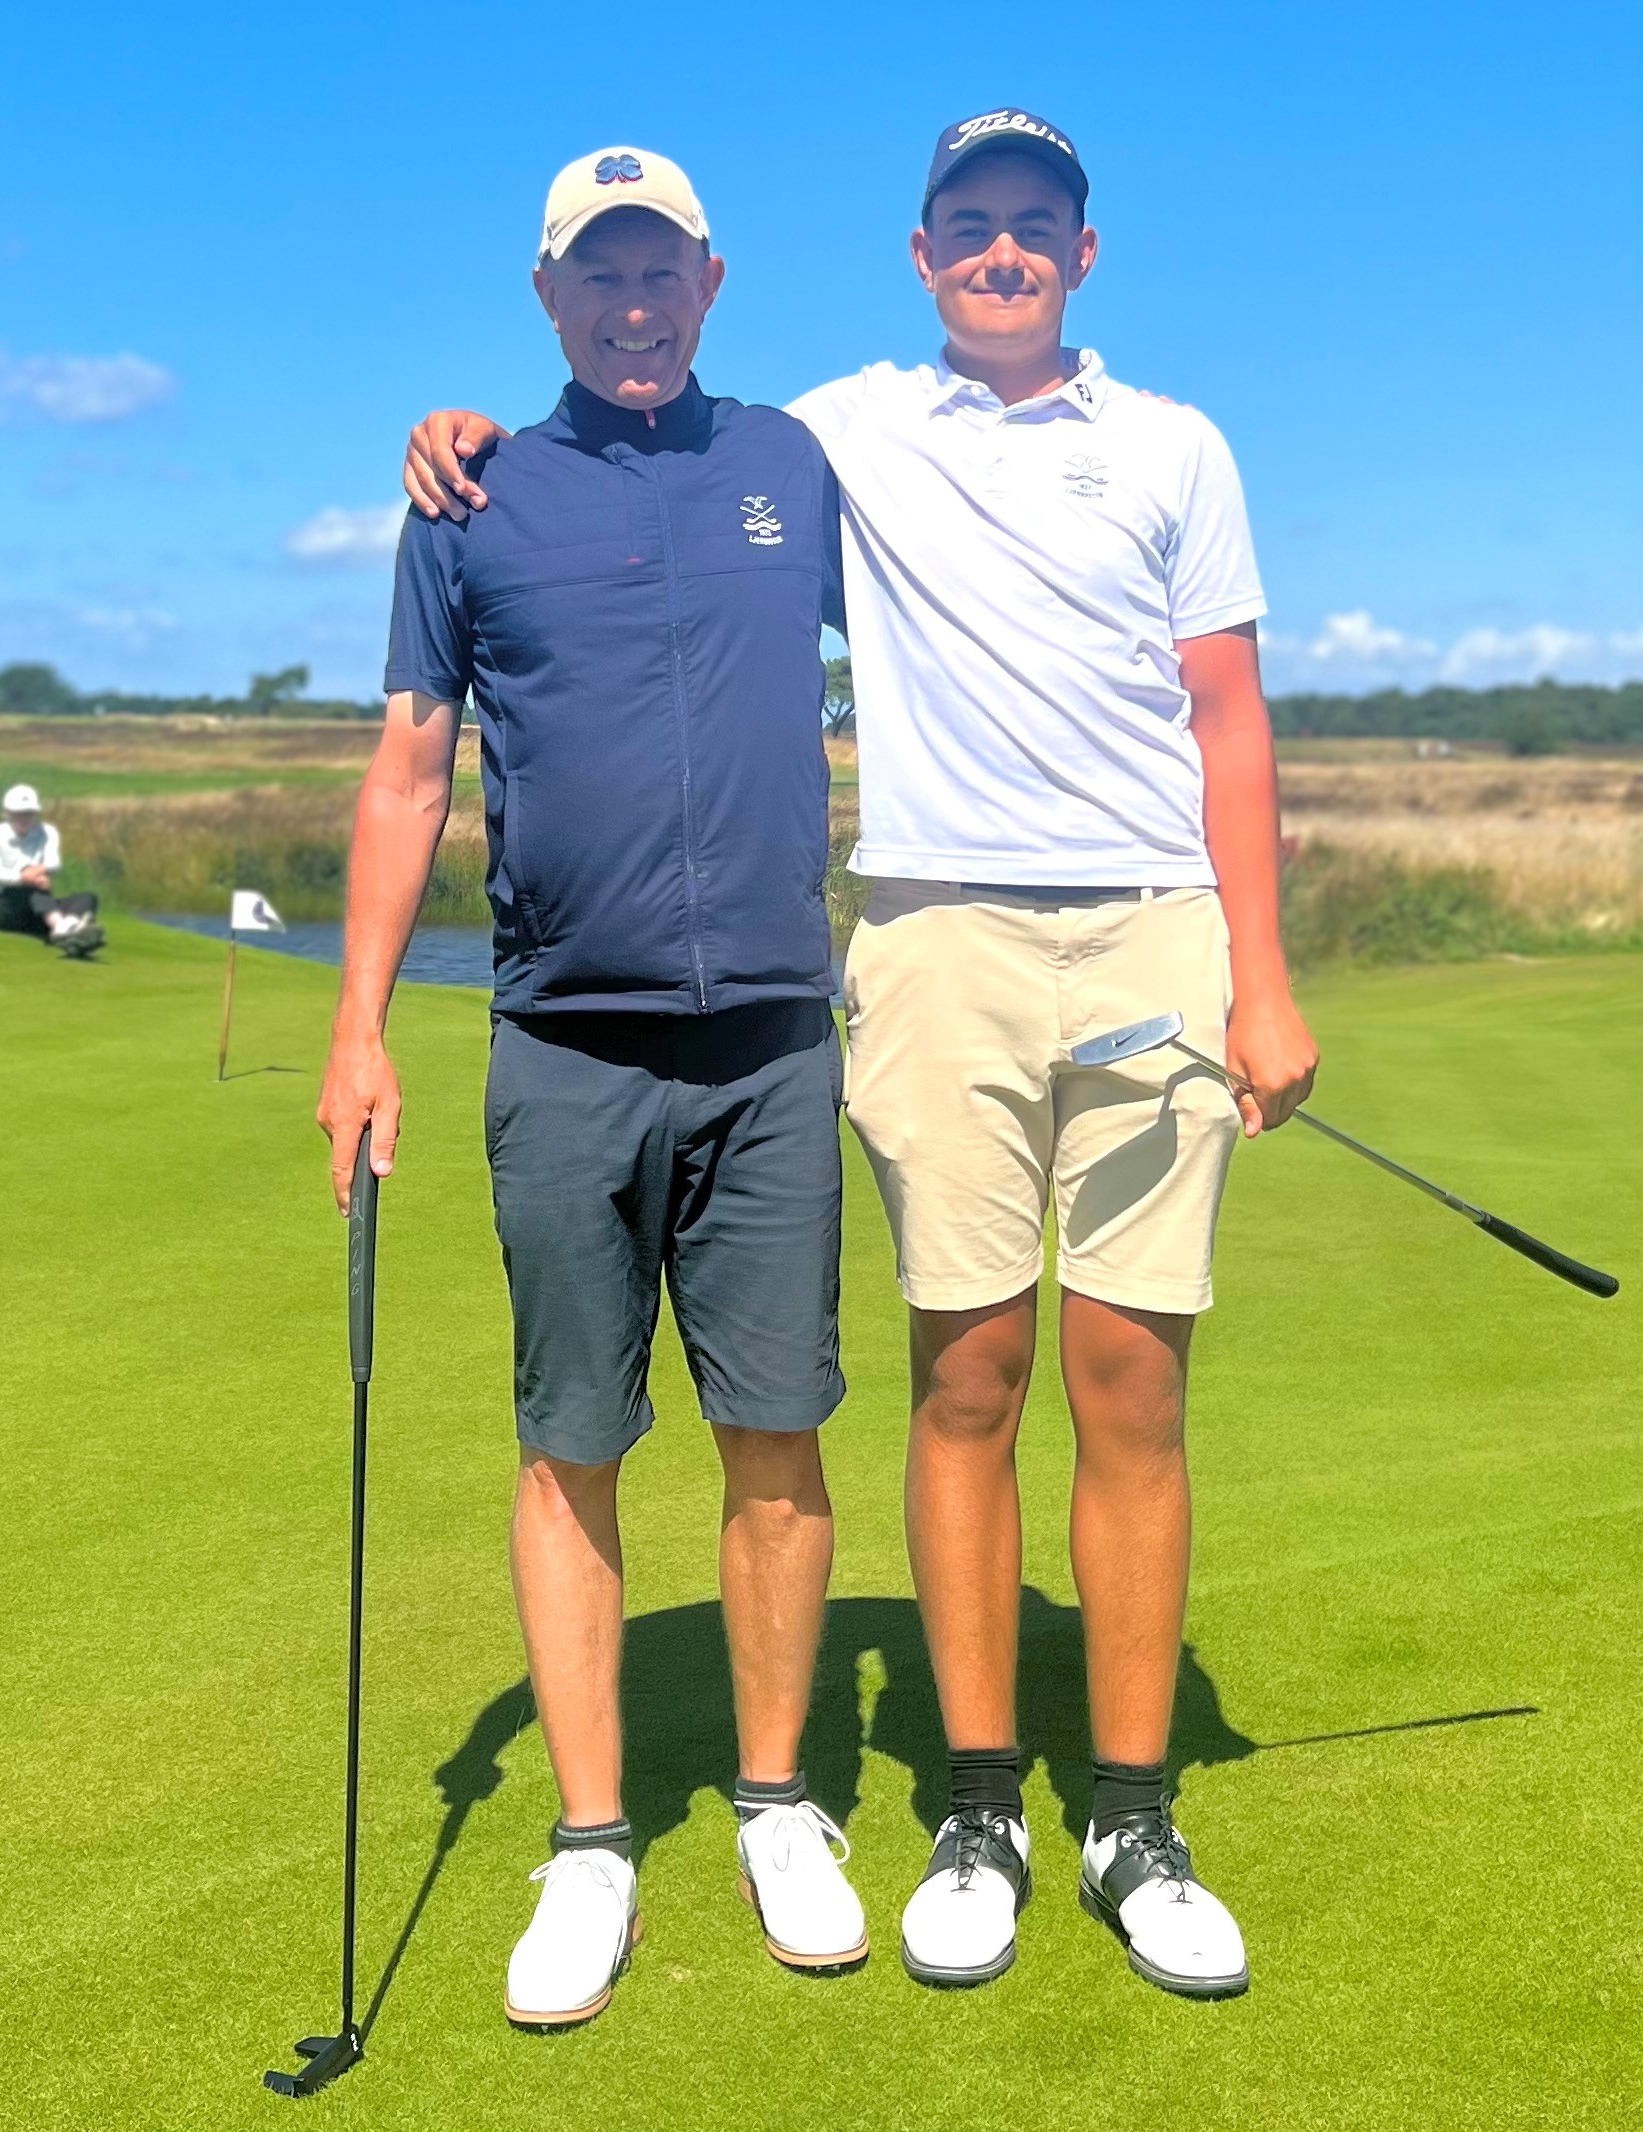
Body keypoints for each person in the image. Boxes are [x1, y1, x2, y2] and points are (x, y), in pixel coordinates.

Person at [403, 108, 1318, 2002]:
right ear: (921, 253)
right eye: (968, 224)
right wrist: (463, 431)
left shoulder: (1176, 445)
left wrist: (1264, 976)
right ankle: (978, 1806)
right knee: (967, 1372)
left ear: (1083, 249)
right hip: (931, 934)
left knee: (1132, 1380)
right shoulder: (836, 438)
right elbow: (632, 479)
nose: (1002, 251)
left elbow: (1226, 715)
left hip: (1154, 923)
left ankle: (1132, 1815)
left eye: (1034, 223)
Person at [318, 147, 864, 2029]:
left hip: (773, 1034)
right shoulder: (471, 496)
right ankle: (591, 1840)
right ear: (548, 294)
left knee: (775, 1428)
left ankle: (779, 1806)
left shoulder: (798, 464)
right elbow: (408, 773)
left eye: (660, 271)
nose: (633, 305)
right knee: (572, 1438)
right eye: (597, 276)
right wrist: (359, 1027)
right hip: (563, 1038)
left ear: (712, 279)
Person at [0, 784, 105, 955]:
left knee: (88, 898)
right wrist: (24, 878)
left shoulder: (48, 832)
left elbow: (54, 863)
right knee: (33, 889)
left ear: (36, 814)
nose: (24, 818)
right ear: (6, 814)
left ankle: (67, 931)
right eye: (18, 813)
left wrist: (35, 873)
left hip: (37, 909)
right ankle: (66, 930)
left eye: (29, 813)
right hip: (1, 907)